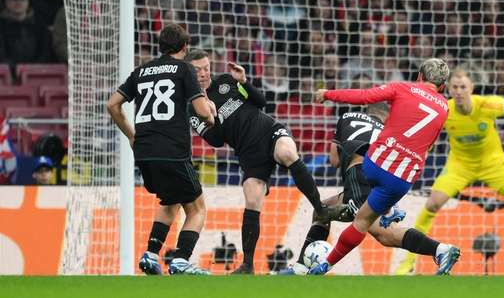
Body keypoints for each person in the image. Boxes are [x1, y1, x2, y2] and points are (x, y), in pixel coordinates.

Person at [183, 49, 347, 275]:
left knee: (289, 154)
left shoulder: (227, 80)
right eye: (197, 70)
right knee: (251, 198)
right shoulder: (192, 106)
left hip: (268, 131)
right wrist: (212, 116)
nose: (203, 73)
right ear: (189, 72)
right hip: (248, 152)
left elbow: (261, 101)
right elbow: (217, 141)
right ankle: (248, 265)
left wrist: (244, 82)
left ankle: (320, 208)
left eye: (206, 67)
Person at [394, 69, 504, 275]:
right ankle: (409, 261)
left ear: (471, 89)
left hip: (493, 164)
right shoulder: (444, 110)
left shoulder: (487, 105)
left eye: (463, 87)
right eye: (455, 88)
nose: (459, 92)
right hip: (460, 166)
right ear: (449, 90)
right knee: (431, 204)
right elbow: (429, 133)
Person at [308, 58, 459, 275]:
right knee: (367, 219)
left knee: (361, 221)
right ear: (442, 87)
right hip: (401, 179)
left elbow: (364, 97)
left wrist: (328, 94)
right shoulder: (444, 107)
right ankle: (393, 213)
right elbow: (428, 144)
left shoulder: (401, 87)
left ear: (419, 76)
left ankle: (324, 265)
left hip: (374, 164)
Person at [278, 103, 460, 275]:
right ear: (387, 118)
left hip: (358, 178)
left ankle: (441, 249)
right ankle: (301, 268)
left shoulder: (347, 117)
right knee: (322, 211)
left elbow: (334, 161)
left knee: (387, 235)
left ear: (367, 112)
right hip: (379, 181)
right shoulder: (390, 131)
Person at [106, 24, 216, 276]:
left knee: (173, 200)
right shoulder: (184, 69)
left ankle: (150, 255)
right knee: (197, 208)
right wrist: (211, 118)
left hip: (144, 151)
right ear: (184, 47)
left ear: (160, 46)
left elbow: (113, 105)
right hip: (172, 150)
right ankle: (181, 260)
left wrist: (132, 136)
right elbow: (201, 112)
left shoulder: (141, 71)